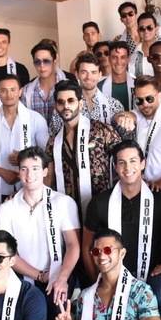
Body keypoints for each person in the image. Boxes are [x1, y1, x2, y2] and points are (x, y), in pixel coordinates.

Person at [83, 140, 161, 320]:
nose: (127, 168)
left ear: (143, 164)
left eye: (133, 161)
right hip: (113, 277)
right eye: (121, 163)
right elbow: (87, 245)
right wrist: (96, 280)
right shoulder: (100, 203)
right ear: (115, 167)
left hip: (153, 276)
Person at [0, 146, 80, 320]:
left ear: (45, 171)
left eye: (35, 168)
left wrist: (61, 277)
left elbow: (73, 245)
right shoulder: (6, 209)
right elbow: (8, 254)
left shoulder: (63, 202)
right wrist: (40, 276)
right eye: (24, 169)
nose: (29, 174)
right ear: (18, 172)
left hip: (59, 276)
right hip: (23, 278)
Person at [47, 80, 121, 218]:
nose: (66, 106)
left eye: (71, 101)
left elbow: (123, 159)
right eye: (61, 102)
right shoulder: (53, 141)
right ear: (56, 107)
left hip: (102, 209)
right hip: (67, 214)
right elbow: (48, 179)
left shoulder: (101, 130)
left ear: (80, 104)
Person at [0, 74, 49, 205]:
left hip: (32, 184)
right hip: (1, 185)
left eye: (13, 90)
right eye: (3, 90)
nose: (8, 94)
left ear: (20, 91)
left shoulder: (35, 119)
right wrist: (3, 173)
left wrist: (24, 157)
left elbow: (47, 155)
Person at [113, 76, 161, 198]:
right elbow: (123, 116)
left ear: (159, 96)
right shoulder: (137, 116)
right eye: (139, 101)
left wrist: (156, 187)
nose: (145, 104)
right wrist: (123, 118)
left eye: (149, 99)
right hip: (135, 191)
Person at [21, 41, 69, 123]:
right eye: (37, 62)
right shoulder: (27, 91)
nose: (42, 66)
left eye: (46, 61)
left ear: (54, 61)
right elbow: (24, 123)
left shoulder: (69, 87)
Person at [76, 52, 124, 127]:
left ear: (100, 75)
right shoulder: (67, 104)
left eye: (93, 72)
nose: (88, 77)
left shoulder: (114, 105)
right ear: (77, 74)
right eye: (84, 72)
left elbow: (122, 133)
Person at [98, 40, 134, 111]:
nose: (118, 62)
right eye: (114, 57)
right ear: (109, 59)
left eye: (123, 57)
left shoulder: (137, 84)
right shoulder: (99, 88)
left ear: (128, 59)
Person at [128, 13, 160, 77]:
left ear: (156, 29)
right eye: (142, 29)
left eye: (149, 28)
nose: (146, 31)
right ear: (138, 31)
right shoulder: (134, 54)